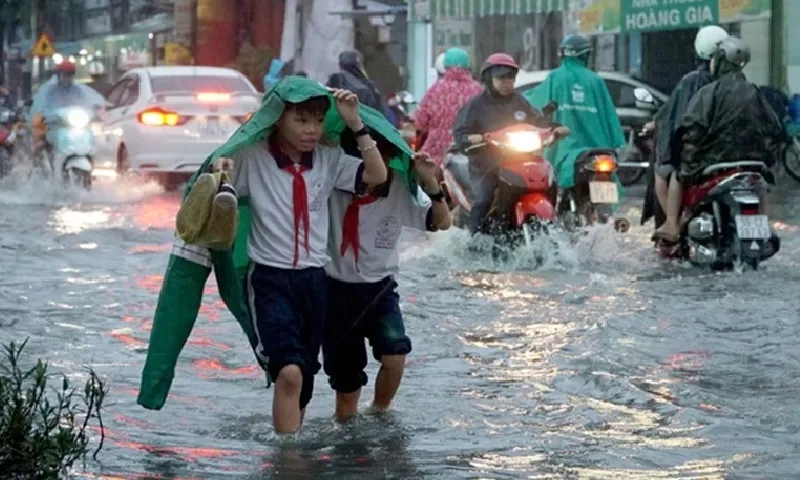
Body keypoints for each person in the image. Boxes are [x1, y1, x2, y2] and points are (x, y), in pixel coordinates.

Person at [211, 87, 388, 434]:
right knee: (288, 370)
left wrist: (355, 123)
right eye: (302, 120)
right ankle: (287, 462)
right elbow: (218, 185)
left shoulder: (328, 158)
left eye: (319, 121)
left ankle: (289, 451)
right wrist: (221, 172)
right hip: (270, 281)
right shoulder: (252, 156)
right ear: (278, 119)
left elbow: (377, 176)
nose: (311, 129)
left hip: (314, 281)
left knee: (303, 379)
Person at [324, 137, 452, 421]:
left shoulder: (397, 188)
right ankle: (346, 436)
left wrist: (431, 183)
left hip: (380, 290)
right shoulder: (332, 185)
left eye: (380, 159)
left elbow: (441, 222)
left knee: (395, 356)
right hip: (335, 291)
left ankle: (380, 414)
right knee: (347, 386)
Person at [653, 36, 785, 244]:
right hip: (753, 163)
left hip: (714, 162)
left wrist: (687, 149)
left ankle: (671, 224)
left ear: (720, 60)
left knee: (678, 174)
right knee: (759, 186)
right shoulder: (755, 92)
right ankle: (763, 223)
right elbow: (775, 130)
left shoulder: (708, 92)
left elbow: (692, 129)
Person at [452, 52, 568, 234]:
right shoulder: (476, 105)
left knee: (549, 181)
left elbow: (538, 121)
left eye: (510, 77)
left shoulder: (520, 101)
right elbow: (460, 133)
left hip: (519, 161)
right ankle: (473, 240)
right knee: (484, 199)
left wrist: (555, 128)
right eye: (501, 77)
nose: (507, 82)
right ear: (489, 79)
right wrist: (472, 138)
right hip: (487, 164)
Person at [643, 25, 729, 230]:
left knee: (663, 172)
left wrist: (659, 126)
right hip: (729, 152)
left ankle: (673, 226)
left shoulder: (692, 81)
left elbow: (676, 118)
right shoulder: (735, 82)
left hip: (699, 153)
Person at [524, 34, 625, 197]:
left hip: (562, 147)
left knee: (548, 183)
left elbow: (536, 101)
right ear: (586, 55)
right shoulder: (595, 80)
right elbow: (609, 115)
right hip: (596, 147)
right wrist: (615, 140)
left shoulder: (556, 77)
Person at [414, 48, 483, 165]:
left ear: (445, 66)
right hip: (468, 153)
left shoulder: (435, 90)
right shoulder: (478, 90)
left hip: (436, 153)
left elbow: (420, 122)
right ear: (468, 66)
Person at [30, 60, 105, 148]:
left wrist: (94, 110)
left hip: (74, 125)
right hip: (56, 125)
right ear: (59, 75)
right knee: (41, 143)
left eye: (70, 74)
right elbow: (44, 107)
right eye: (65, 74)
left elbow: (85, 103)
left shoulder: (77, 90)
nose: (67, 77)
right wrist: (47, 115)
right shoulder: (51, 90)